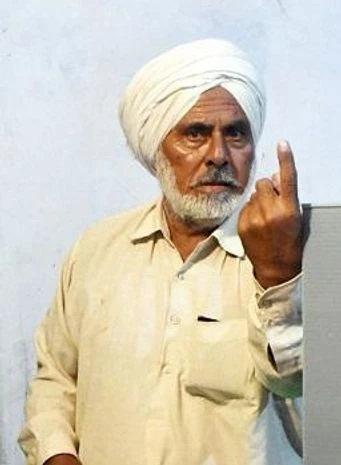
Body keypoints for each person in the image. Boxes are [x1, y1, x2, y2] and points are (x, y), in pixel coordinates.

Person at [18, 38, 305, 465]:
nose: (218, 156)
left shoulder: (292, 255)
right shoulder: (97, 250)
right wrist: (56, 454)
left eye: (236, 134)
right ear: (157, 150)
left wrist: (278, 274)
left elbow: (296, 383)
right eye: (196, 134)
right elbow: (56, 379)